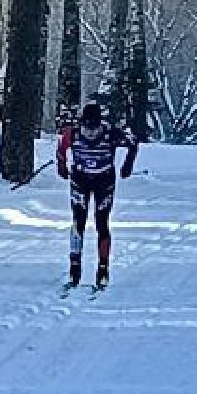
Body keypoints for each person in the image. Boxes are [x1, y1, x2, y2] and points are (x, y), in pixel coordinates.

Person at [55, 100, 138, 289]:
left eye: (94, 128)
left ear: (101, 124)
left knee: (102, 222)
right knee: (78, 221)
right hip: (80, 180)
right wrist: (62, 166)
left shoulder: (111, 134)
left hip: (104, 182)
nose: (91, 133)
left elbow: (133, 143)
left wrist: (127, 166)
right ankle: (74, 267)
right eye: (87, 128)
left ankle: (103, 268)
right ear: (81, 124)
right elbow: (61, 148)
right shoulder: (73, 134)